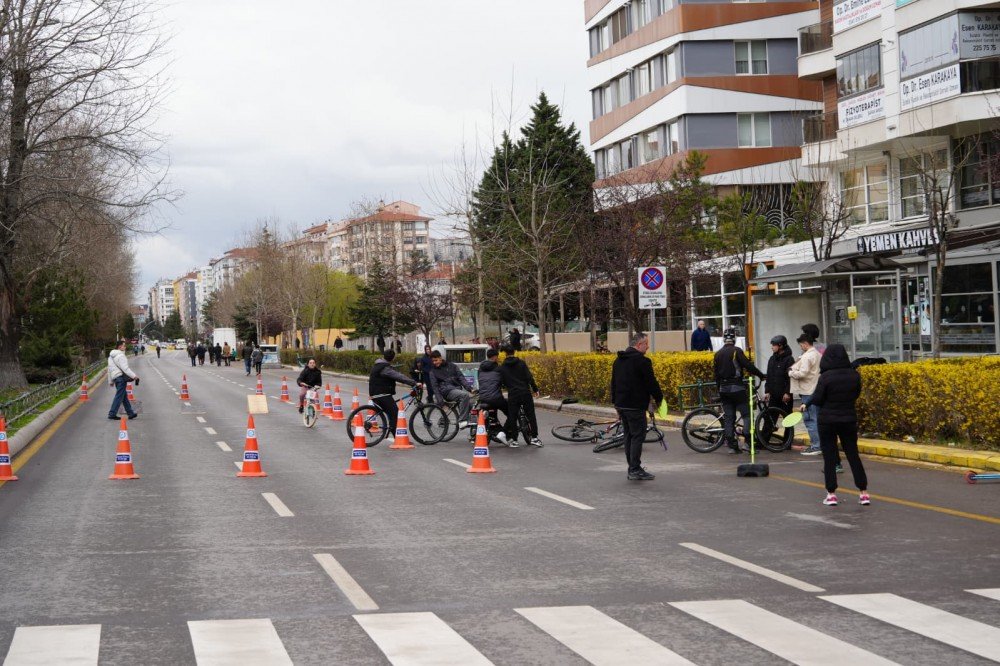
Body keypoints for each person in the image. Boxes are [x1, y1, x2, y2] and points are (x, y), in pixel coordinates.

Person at [801, 344, 870, 507]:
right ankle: (863, 493)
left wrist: (807, 404)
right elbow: (856, 394)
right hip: (848, 419)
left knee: (830, 458)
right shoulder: (854, 375)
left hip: (827, 421)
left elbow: (817, 398)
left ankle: (831, 494)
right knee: (853, 455)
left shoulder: (825, 377)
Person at [610, 332, 663, 480]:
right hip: (635, 405)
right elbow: (651, 383)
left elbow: (613, 384)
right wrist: (659, 399)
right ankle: (634, 468)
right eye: (646, 344)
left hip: (622, 405)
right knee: (637, 436)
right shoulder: (643, 362)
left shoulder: (618, 361)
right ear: (639, 345)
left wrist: (615, 404)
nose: (647, 347)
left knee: (628, 436)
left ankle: (632, 467)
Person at [713, 329, 765, 454]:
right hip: (737, 388)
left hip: (724, 389)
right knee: (747, 415)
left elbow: (716, 376)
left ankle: (732, 446)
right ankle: (748, 443)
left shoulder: (718, 354)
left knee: (729, 417)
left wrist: (719, 391)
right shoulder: (737, 351)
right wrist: (760, 375)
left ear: (723, 339)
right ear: (734, 339)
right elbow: (748, 365)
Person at [498, 344, 541, 446]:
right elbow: (529, 377)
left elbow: (502, 382)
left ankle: (514, 440)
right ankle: (534, 438)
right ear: (514, 352)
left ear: (505, 353)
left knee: (513, 416)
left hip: (513, 394)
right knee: (531, 415)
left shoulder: (502, 367)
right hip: (525, 392)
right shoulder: (521, 363)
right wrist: (535, 389)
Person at [368, 350, 418, 431]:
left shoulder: (379, 365)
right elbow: (399, 376)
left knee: (391, 413)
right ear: (393, 358)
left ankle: (392, 429)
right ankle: (397, 436)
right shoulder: (385, 368)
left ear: (383, 356)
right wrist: (414, 383)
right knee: (395, 414)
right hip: (382, 395)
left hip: (376, 394)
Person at [789, 333, 822, 455]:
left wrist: (791, 373)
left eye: (801, 345)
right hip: (815, 390)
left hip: (807, 391)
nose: (801, 347)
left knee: (810, 420)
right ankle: (820, 444)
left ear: (805, 343)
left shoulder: (807, 357)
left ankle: (816, 446)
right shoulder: (818, 354)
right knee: (816, 418)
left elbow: (802, 373)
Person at [427, 350, 472, 428]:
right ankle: (462, 421)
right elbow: (435, 387)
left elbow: (461, 378)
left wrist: (470, 388)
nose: (434, 363)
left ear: (440, 358)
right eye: (433, 361)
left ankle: (473, 431)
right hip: (446, 391)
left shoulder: (452, 366)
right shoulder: (433, 372)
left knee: (471, 405)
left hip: (456, 389)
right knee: (464, 396)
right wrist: (440, 402)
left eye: (436, 360)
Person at [476, 348, 509, 445]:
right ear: (495, 357)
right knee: (511, 412)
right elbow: (503, 382)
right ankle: (504, 432)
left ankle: (494, 429)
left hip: (483, 398)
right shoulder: (499, 368)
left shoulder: (480, 368)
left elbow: (480, 381)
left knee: (492, 412)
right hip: (496, 398)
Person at [107, 340, 139, 420]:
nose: (125, 347)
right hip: (121, 378)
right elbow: (125, 369)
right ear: (119, 347)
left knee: (124, 397)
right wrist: (134, 376)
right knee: (119, 397)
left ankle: (130, 413)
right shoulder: (121, 356)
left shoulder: (111, 356)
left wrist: (110, 381)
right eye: (124, 345)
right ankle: (112, 413)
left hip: (116, 377)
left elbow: (109, 369)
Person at [764, 335, 794, 413]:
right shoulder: (772, 359)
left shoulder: (789, 359)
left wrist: (788, 393)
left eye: (774, 345)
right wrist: (767, 391)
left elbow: (790, 378)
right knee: (769, 421)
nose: (772, 347)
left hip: (785, 396)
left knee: (788, 421)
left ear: (780, 346)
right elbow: (769, 376)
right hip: (773, 396)